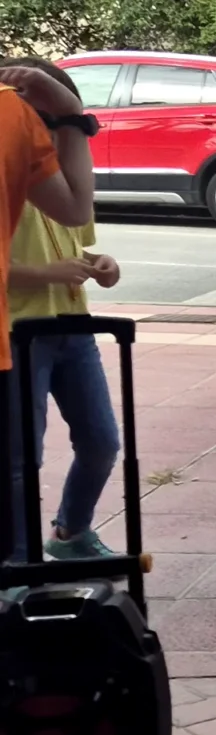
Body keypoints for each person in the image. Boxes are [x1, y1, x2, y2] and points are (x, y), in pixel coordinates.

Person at [7, 60, 123, 562]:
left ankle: (71, 532)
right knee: (20, 457)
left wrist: (99, 264)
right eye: (49, 124)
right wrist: (45, 273)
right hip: (18, 333)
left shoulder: (65, 184)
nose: (57, 138)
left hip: (73, 330)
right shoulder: (11, 182)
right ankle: (16, 560)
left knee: (101, 441)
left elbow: (79, 235)